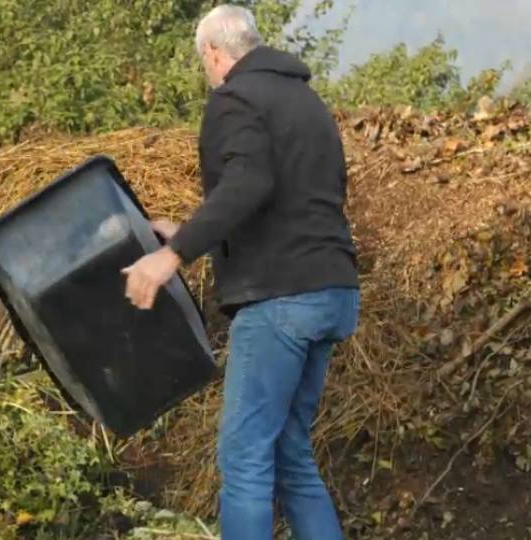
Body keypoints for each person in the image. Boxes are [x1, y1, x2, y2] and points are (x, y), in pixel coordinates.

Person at [121, 5, 360, 540]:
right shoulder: (307, 101)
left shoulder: (235, 97)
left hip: (282, 300)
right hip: (333, 290)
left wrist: (173, 252)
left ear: (212, 52)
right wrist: (187, 227)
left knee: (244, 457)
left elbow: (249, 182)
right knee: (290, 454)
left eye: (201, 59)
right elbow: (289, 199)